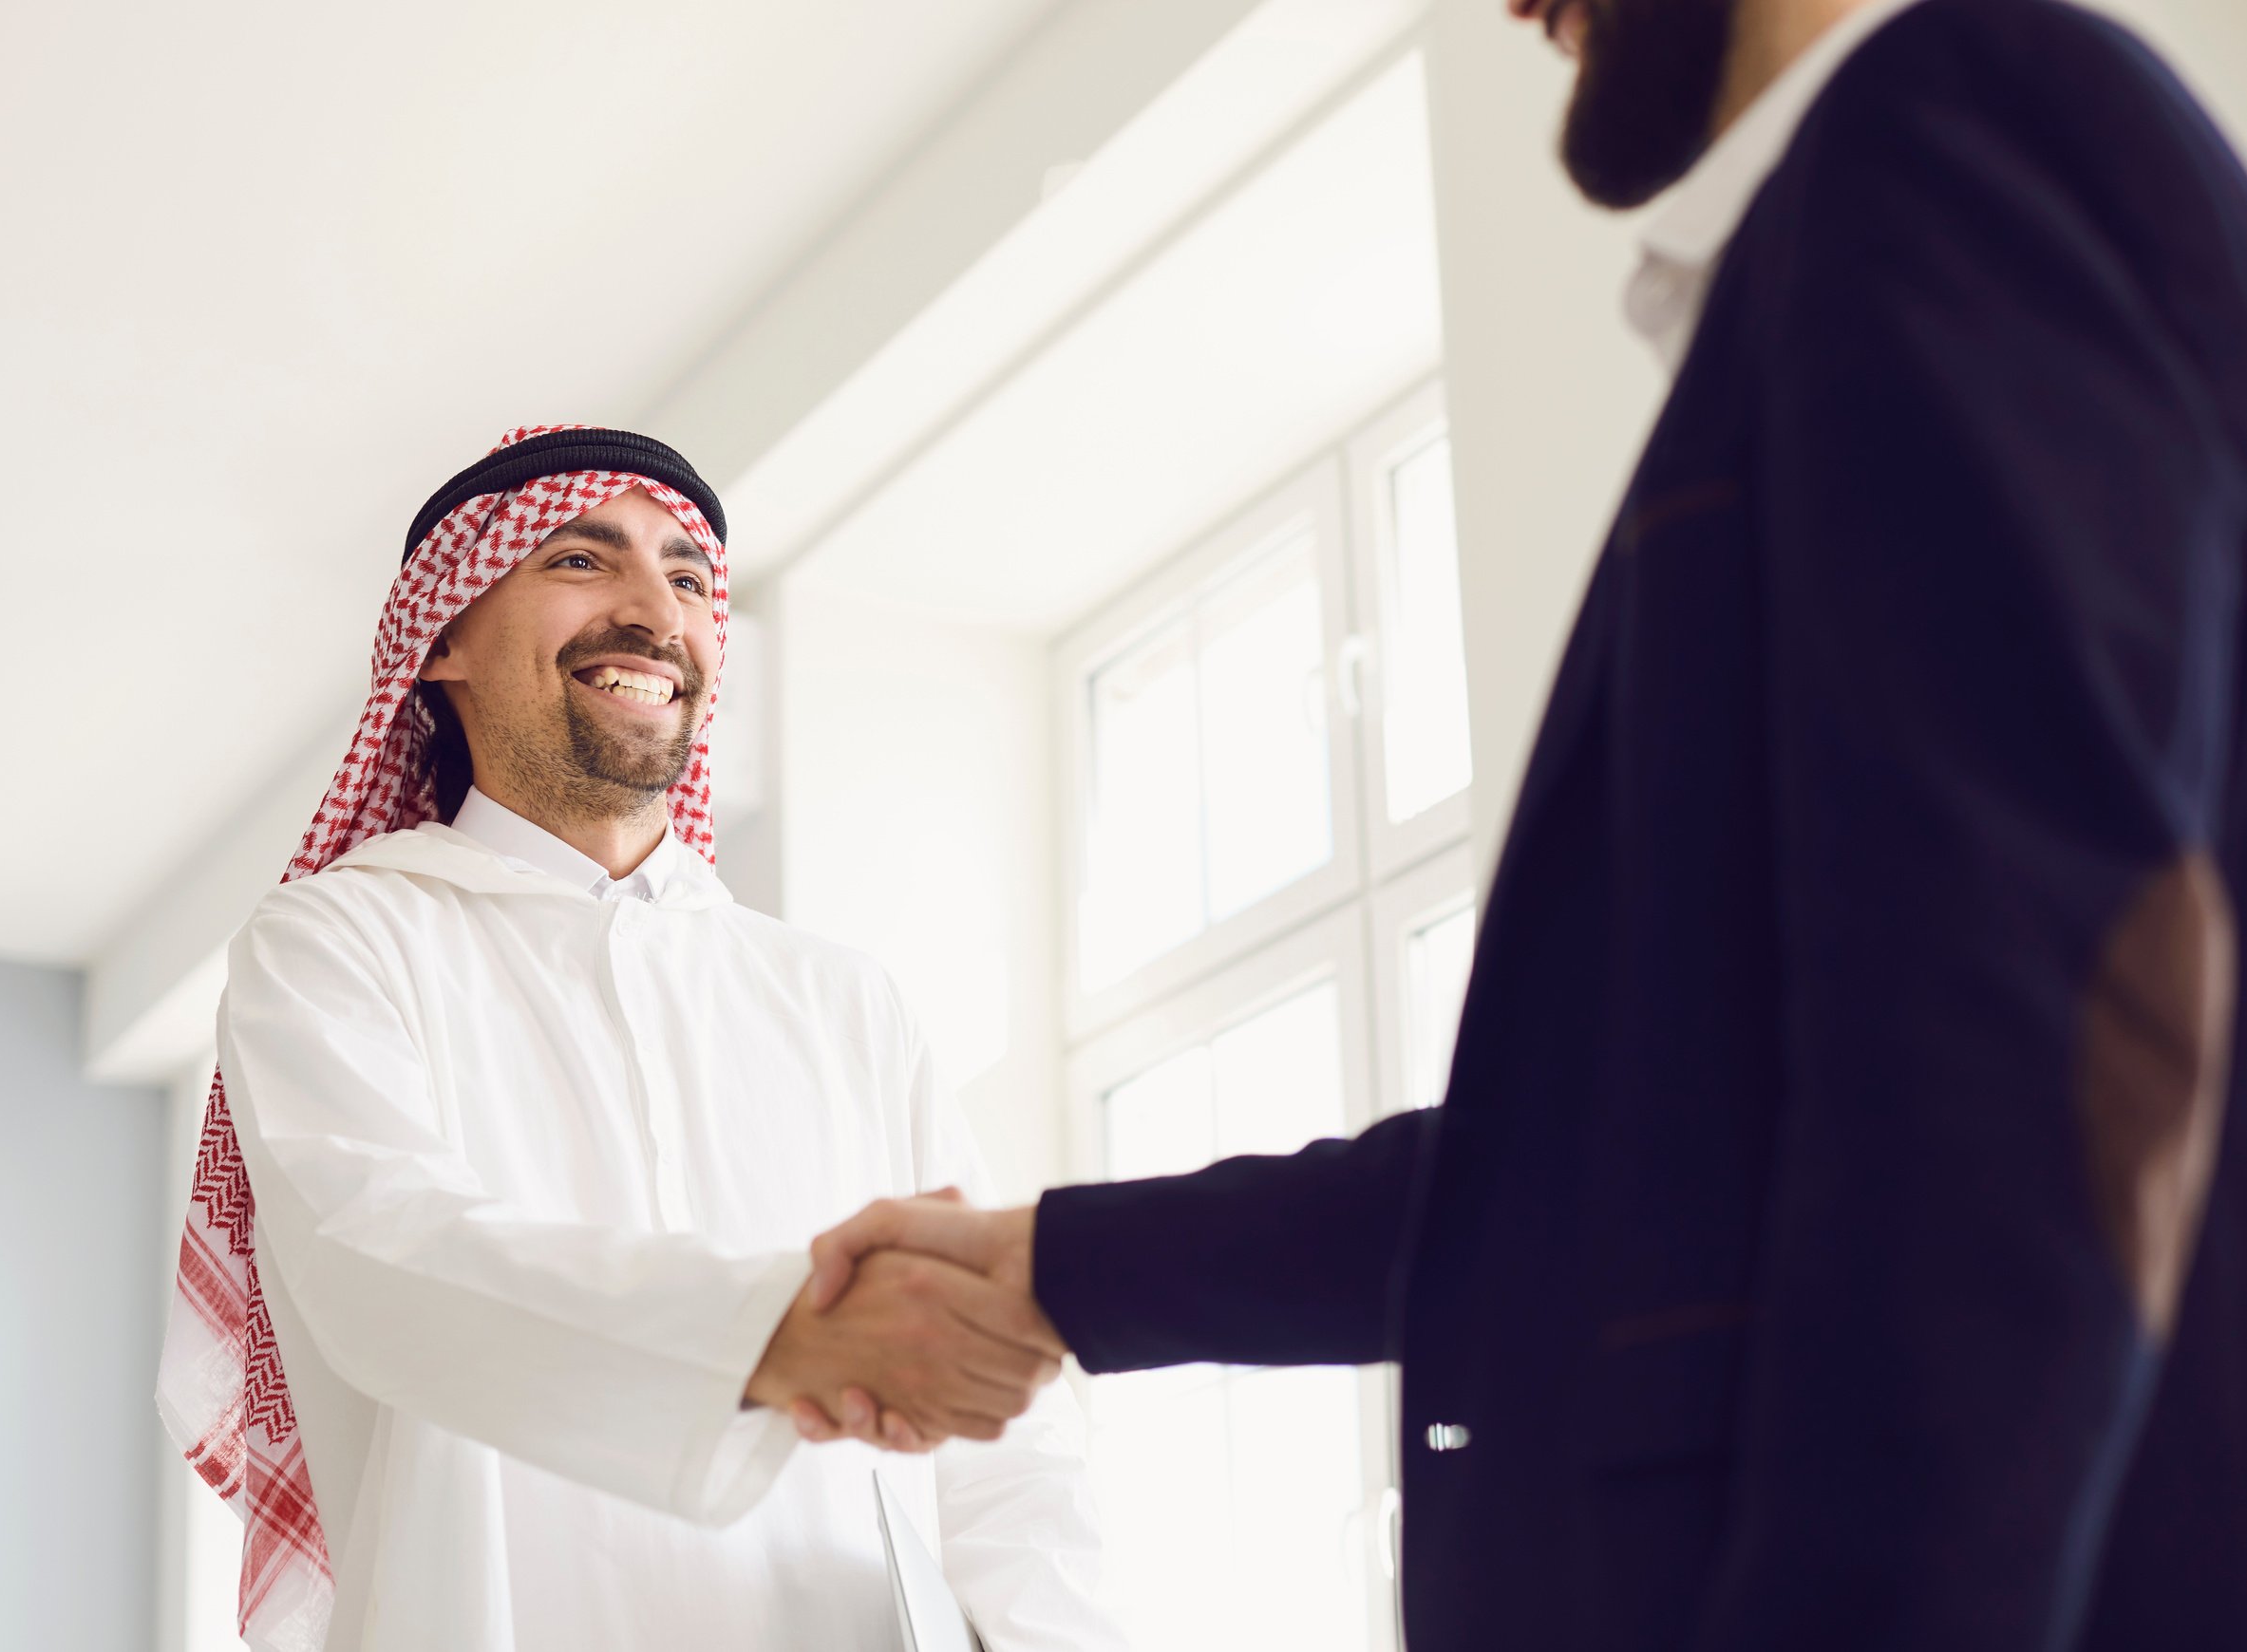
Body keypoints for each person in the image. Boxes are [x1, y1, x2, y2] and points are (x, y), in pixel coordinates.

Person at [802, 0, 2247, 1645]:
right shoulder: (1872, 204)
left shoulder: (1950, 118)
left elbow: (2039, 1009)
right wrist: (1059, 1267)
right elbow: (1626, 1145)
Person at [156, 425, 1105, 1652]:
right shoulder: (340, 940)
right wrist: (770, 1335)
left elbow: (1008, 1436)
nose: (655, 613)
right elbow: (384, 1264)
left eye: (691, 579)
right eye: (580, 562)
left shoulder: (836, 998)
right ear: (440, 635)